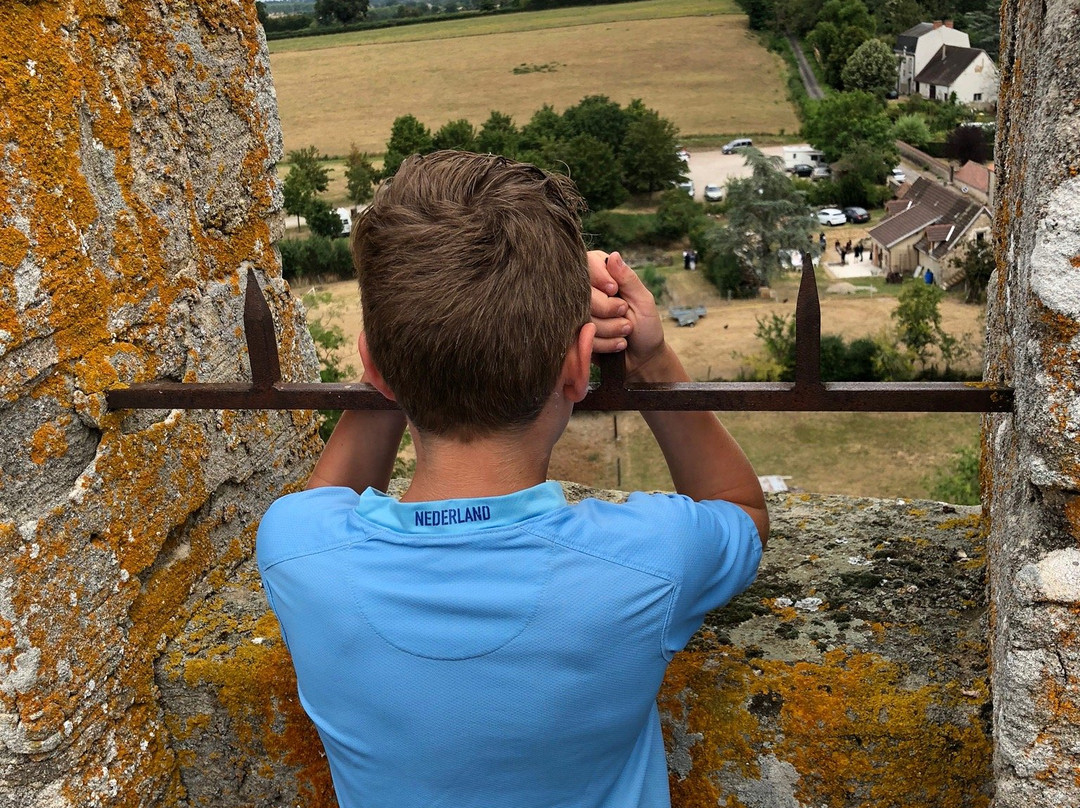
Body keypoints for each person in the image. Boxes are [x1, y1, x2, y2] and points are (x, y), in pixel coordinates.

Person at [256, 151, 767, 808]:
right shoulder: (647, 561)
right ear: (579, 369)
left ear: (375, 369)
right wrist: (652, 361)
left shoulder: (298, 552)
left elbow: (331, 495)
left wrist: (418, 339)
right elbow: (740, 508)